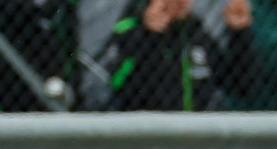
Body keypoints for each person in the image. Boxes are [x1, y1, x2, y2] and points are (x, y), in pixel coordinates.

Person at [101, 0, 251, 111]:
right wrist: (151, 34)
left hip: (197, 137)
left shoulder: (196, 32)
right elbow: (118, 87)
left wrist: (240, 34)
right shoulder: (129, 28)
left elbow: (240, 86)